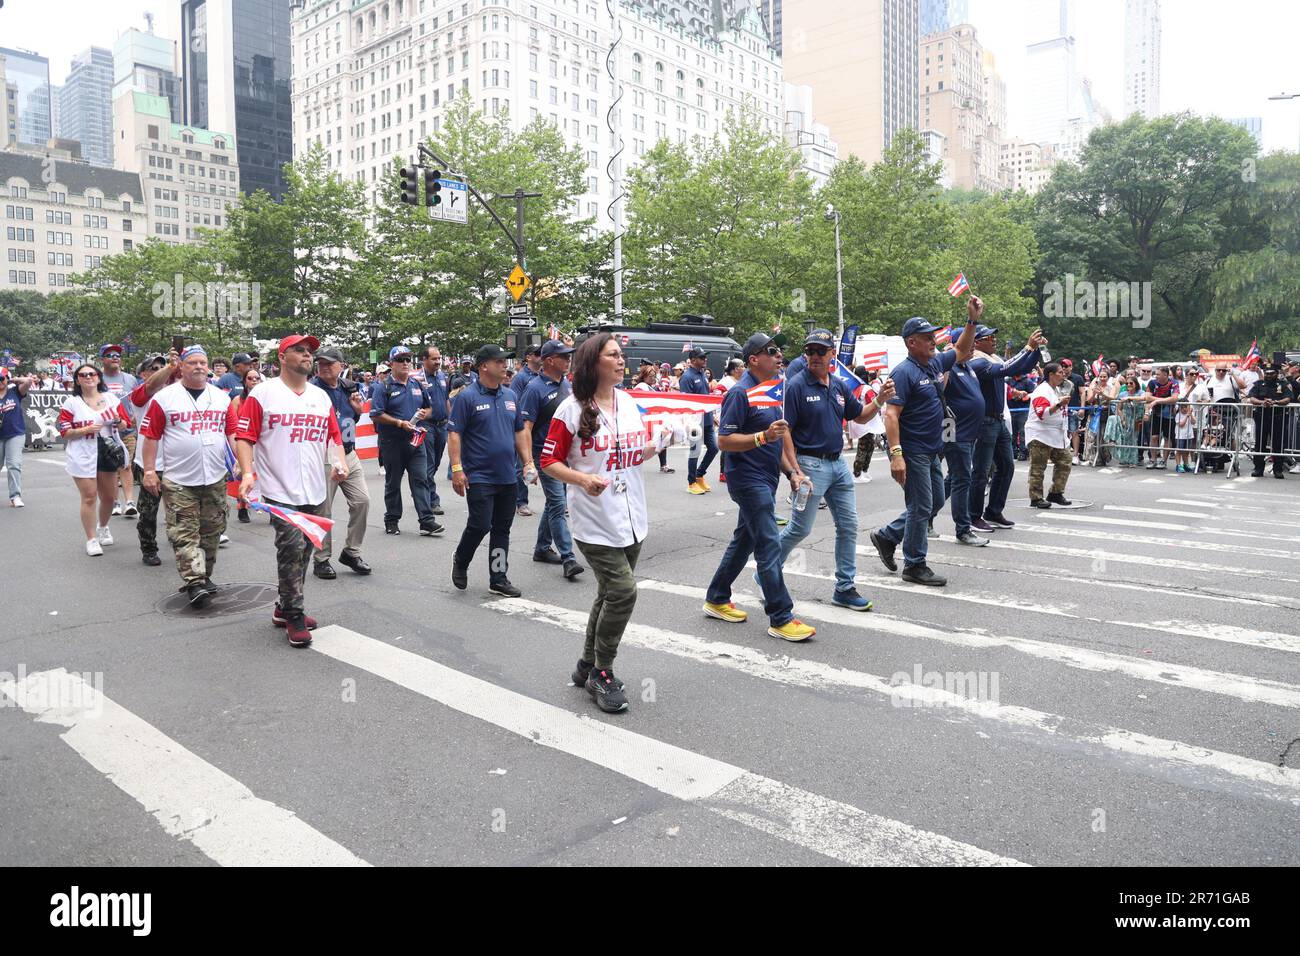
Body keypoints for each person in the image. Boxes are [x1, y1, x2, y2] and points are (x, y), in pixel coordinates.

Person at [540, 333, 673, 712]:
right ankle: (603, 672)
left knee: (608, 593)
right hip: (594, 520)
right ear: (592, 362)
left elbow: (633, 454)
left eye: (621, 354)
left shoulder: (629, 403)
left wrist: (658, 444)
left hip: (632, 516)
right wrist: (583, 480)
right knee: (624, 591)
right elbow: (550, 461)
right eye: (612, 355)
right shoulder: (570, 409)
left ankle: (586, 665)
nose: (621, 360)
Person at [235, 335, 349, 647]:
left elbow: (333, 437)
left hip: (314, 488)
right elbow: (244, 436)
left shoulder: (320, 397)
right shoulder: (263, 393)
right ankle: (295, 614)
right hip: (278, 489)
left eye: (309, 351)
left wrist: (339, 463)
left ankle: (283, 608)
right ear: (282, 357)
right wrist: (247, 473)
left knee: (306, 550)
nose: (307, 355)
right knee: (290, 549)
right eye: (299, 350)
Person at [703, 333, 816, 641]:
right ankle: (781, 616)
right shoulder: (740, 393)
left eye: (780, 350)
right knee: (768, 544)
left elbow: (777, 439)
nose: (780, 356)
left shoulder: (772, 391)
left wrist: (793, 472)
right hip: (747, 480)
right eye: (772, 351)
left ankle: (716, 597)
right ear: (754, 359)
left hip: (767, 478)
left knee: (744, 541)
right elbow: (724, 440)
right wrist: (761, 437)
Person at [780, 328, 894, 608]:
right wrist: (795, 471)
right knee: (799, 529)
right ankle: (767, 571)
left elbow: (859, 415)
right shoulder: (796, 385)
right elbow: (784, 431)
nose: (814, 356)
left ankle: (844, 587)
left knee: (848, 525)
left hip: (838, 464)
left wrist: (879, 399)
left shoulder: (839, 384)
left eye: (821, 351)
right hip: (809, 464)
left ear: (832, 354)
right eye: (810, 351)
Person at [869, 300, 980, 587]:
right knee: (920, 507)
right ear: (911, 342)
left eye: (934, 336)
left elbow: (960, 349)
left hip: (933, 449)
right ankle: (915, 565)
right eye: (927, 337)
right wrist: (896, 455)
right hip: (914, 450)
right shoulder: (903, 373)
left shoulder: (933, 363)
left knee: (935, 501)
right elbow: (891, 414)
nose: (933, 341)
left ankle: (888, 535)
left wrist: (971, 321)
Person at [138, 346, 238, 607]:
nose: (199, 367)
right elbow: (150, 437)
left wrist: (242, 464)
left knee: (213, 530)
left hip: (215, 476)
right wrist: (149, 471)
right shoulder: (165, 398)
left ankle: (205, 576)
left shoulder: (221, 398)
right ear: (180, 366)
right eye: (192, 362)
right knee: (184, 532)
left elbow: (232, 434)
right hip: (180, 479)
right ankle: (194, 581)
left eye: (203, 362)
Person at [448, 343, 531, 597]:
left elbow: (519, 431)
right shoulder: (467, 397)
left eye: (505, 361)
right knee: (480, 524)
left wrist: (527, 461)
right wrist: (457, 469)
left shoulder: (510, 396)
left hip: (507, 475)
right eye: (498, 361)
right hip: (479, 475)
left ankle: (498, 577)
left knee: (501, 529)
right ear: (484, 366)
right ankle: (461, 559)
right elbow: (454, 434)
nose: (504, 365)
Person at [967, 325, 1044, 531]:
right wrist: (1027, 348)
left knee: (1007, 467)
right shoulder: (976, 361)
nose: (994, 340)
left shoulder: (994, 359)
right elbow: (1007, 369)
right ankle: (973, 516)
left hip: (998, 421)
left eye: (994, 337)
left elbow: (1022, 368)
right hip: (985, 421)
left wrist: (1034, 350)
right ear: (976, 341)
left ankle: (993, 511)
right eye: (988, 337)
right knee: (981, 472)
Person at [520, 339, 585, 580]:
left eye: (569, 356)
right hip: (545, 455)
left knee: (554, 503)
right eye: (563, 356)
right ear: (549, 361)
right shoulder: (534, 389)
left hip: (565, 454)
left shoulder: (567, 385)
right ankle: (568, 557)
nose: (568, 359)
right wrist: (528, 462)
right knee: (558, 503)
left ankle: (541, 548)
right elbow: (525, 427)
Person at [310, 347, 372, 577]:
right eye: (321, 363)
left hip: (348, 453)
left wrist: (357, 411)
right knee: (323, 509)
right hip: (324, 455)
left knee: (362, 501)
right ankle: (321, 559)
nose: (324, 367)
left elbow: (349, 418)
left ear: (341, 366)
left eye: (329, 363)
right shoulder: (312, 390)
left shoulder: (348, 388)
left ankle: (351, 552)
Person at [58, 363, 132, 556]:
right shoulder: (71, 403)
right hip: (82, 452)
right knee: (89, 496)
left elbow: (125, 424)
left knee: (109, 497)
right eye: (83, 375)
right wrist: (85, 430)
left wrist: (117, 420)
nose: (88, 377)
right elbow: (65, 432)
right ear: (77, 380)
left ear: (99, 378)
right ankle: (91, 539)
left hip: (107, 450)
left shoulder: (111, 399)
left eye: (92, 374)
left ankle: (103, 526)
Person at [370, 345, 441, 536]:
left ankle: (426, 520)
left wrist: (424, 414)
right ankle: (392, 519)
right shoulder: (383, 386)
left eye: (408, 359)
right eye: (401, 360)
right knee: (393, 482)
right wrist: (399, 423)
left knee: (421, 479)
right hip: (392, 442)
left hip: (416, 440)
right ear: (391, 363)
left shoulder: (416, 385)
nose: (405, 363)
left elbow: (429, 409)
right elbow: (376, 414)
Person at [942, 337, 990, 546]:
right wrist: (945, 363)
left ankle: (928, 515)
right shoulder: (948, 368)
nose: (972, 350)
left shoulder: (968, 368)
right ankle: (963, 528)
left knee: (955, 477)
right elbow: (940, 390)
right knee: (962, 479)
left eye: (973, 347)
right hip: (953, 429)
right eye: (968, 347)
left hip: (969, 432)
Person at [99, 345, 140, 518]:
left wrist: (136, 420)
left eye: (117, 355)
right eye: (110, 355)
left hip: (127, 428)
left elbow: (136, 401)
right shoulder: (96, 378)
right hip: (106, 430)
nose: (115, 357)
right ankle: (114, 502)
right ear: (103, 359)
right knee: (111, 469)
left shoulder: (130, 379)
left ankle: (129, 502)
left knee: (126, 464)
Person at [1026, 362, 1074, 508]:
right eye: (1059, 372)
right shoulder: (1042, 391)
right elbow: (1043, 414)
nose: (1063, 374)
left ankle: (1056, 493)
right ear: (1051, 375)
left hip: (1056, 434)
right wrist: (1059, 404)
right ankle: (1036, 498)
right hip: (1040, 434)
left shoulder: (1056, 389)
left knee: (1065, 460)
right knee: (1038, 467)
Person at [411, 345, 450, 516]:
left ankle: (420, 489)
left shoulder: (442, 376)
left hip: (442, 425)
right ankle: (432, 500)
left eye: (439, 358)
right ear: (424, 360)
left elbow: (446, 399)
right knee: (429, 462)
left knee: (436, 462)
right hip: (426, 425)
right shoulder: (417, 379)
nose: (437, 362)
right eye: (434, 359)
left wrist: (451, 419)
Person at [680, 347, 719, 495]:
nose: (705, 359)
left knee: (714, 448)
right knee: (695, 451)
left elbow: (706, 396)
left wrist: (713, 415)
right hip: (695, 421)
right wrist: (689, 422)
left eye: (705, 357)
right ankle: (691, 483)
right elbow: (686, 402)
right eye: (702, 357)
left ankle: (699, 474)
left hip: (707, 418)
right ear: (693, 360)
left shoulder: (702, 373)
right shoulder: (687, 377)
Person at [229, 366, 264, 523]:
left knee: (265, 476)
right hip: (245, 441)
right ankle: (242, 507)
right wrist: (237, 449)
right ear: (244, 382)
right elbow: (233, 425)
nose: (254, 381)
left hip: (262, 442)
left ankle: (268, 507)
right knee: (245, 474)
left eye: (257, 378)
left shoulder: (265, 398)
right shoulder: (238, 400)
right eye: (250, 378)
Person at [511, 345, 543, 517]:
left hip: (543, 428)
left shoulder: (543, 375)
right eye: (538, 354)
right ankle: (521, 502)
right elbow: (514, 402)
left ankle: (560, 501)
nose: (541, 357)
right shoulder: (521, 378)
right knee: (522, 465)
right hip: (525, 427)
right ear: (529, 357)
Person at [1247, 363, 1291, 478]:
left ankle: (1278, 470)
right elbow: (1251, 397)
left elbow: (1288, 398)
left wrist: (1275, 402)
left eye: (1271, 373)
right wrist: (1262, 403)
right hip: (1262, 417)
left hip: (1278, 418)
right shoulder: (1258, 384)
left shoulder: (1282, 384)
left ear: (1276, 374)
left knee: (1278, 444)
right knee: (1260, 443)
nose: (1269, 375)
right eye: (1267, 373)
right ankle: (1258, 469)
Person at [1, 367, 33, 507]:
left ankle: (15, 496)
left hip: (15, 433)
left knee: (14, 464)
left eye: (2, 378)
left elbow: (28, 381)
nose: (0, 382)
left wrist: (12, 378)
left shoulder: (15, 391)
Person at [1142, 366, 1179, 470]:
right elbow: (1148, 397)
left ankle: (1164, 460)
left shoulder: (1174, 383)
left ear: (1165, 375)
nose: (1156, 376)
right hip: (1156, 414)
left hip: (1170, 415)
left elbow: (1174, 398)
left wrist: (1157, 401)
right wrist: (1164, 399)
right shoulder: (1152, 383)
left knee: (1167, 438)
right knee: (1154, 437)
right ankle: (1153, 459)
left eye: (1158, 374)